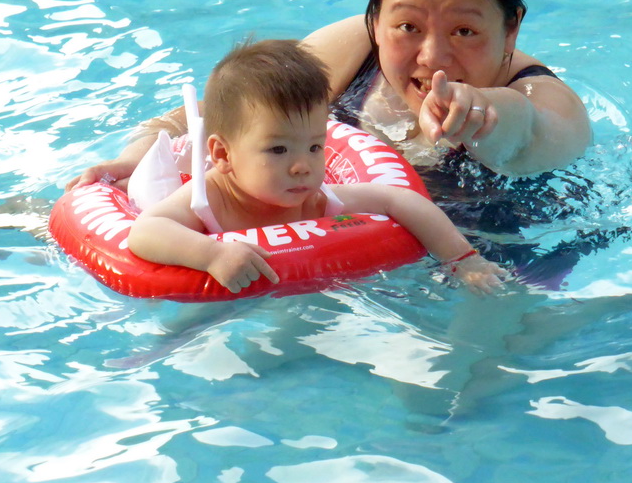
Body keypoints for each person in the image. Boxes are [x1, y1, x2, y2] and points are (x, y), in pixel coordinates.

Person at [68, 0, 590, 194]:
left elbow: (529, 131)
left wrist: (484, 114)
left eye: (464, 32)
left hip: (495, 265)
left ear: (512, 29)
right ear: (374, 20)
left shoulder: (546, 100)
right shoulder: (351, 54)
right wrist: (137, 158)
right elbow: (223, 116)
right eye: (406, 26)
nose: (432, 56)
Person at [127, 39, 505, 295]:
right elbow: (146, 232)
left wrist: (462, 258)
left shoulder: (316, 200)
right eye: (277, 150)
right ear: (223, 156)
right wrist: (212, 255)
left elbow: (400, 200)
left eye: (313, 147)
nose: (302, 167)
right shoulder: (209, 199)